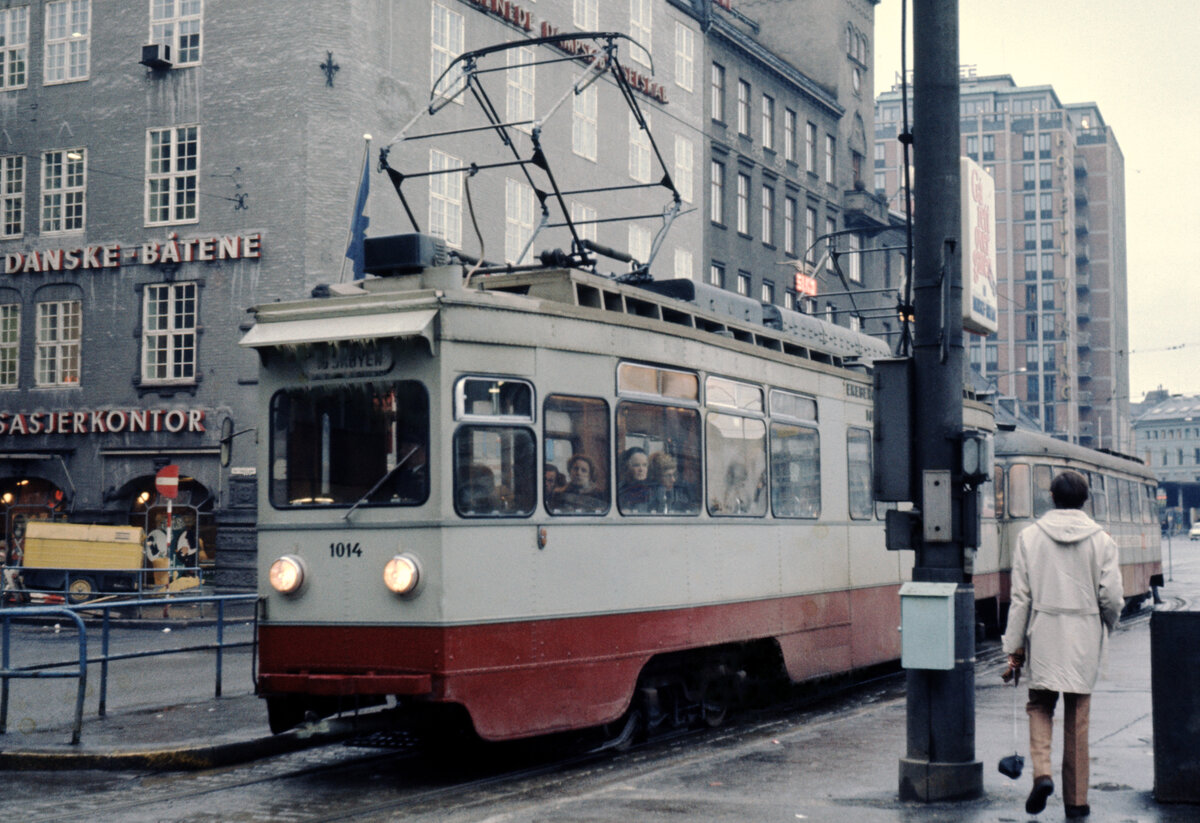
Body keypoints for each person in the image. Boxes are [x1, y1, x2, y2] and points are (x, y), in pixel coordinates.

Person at [1002, 469, 1123, 819]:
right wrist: (1106, 625)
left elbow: (1020, 599)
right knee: (1077, 717)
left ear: (1052, 498)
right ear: (1084, 500)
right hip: (1084, 636)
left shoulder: (1029, 538)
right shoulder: (1102, 540)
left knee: (1040, 705)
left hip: (1044, 634)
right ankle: (1077, 800)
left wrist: (1014, 648)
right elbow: (1112, 597)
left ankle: (1042, 773)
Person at [617, 447, 651, 513]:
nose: (641, 469)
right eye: (636, 465)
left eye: (644, 465)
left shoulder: (653, 489)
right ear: (627, 467)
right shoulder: (620, 491)